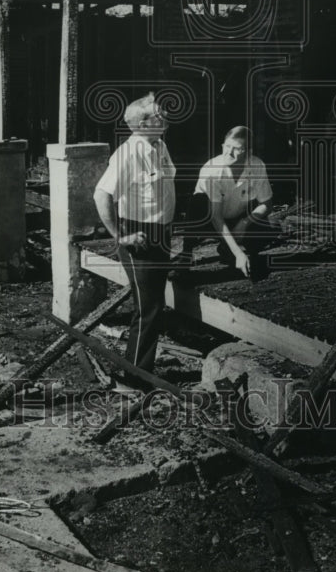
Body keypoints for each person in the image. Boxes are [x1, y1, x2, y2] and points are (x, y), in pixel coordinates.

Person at [94, 93, 176, 380]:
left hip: (160, 234)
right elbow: (101, 195)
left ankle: (138, 371)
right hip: (138, 236)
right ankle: (136, 377)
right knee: (148, 309)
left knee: (154, 305)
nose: (165, 117)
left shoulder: (160, 145)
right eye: (158, 114)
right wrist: (120, 237)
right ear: (142, 124)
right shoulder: (127, 154)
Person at [192, 125, 273, 280]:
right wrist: (238, 253)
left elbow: (267, 204)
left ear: (248, 152)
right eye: (227, 146)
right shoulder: (212, 170)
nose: (229, 152)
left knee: (264, 232)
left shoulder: (257, 165)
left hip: (236, 216)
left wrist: (244, 223)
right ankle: (185, 254)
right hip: (208, 219)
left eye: (237, 149)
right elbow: (216, 218)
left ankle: (228, 247)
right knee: (197, 204)